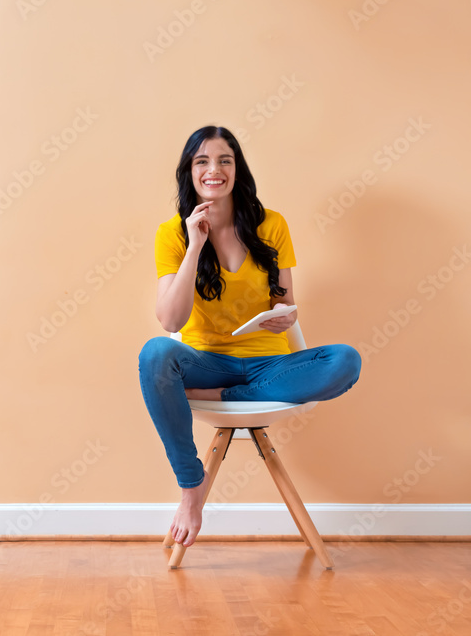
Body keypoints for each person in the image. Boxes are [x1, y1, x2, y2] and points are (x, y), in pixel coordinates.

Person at [138, 125, 361, 549]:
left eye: (225, 159)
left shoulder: (271, 225)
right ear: (189, 171)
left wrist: (284, 315)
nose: (214, 170)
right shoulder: (173, 233)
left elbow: (285, 301)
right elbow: (170, 318)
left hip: (270, 364)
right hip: (209, 363)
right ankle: (191, 488)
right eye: (202, 161)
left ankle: (229, 395)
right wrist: (194, 246)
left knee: (346, 360)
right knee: (155, 354)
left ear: (237, 168)